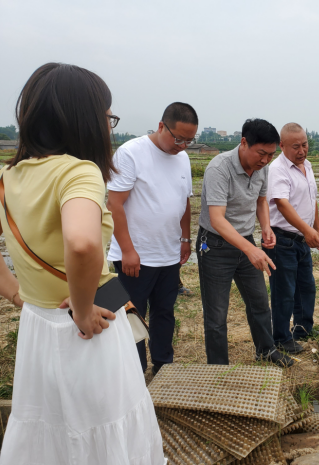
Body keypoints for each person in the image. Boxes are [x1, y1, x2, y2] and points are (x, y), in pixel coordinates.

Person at [0, 63, 164, 464]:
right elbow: (82, 242)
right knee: (103, 426)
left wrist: (18, 295)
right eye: (107, 115)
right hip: (89, 325)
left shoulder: (9, 175)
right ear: (83, 118)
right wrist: (85, 308)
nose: (109, 124)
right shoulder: (79, 171)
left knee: (48, 427)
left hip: (39, 323)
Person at [196, 118, 294, 367]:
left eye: (271, 155)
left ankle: (266, 349)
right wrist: (250, 249)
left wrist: (266, 227)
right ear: (243, 143)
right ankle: (219, 368)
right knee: (217, 313)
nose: (265, 160)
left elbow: (261, 200)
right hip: (216, 246)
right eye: (261, 153)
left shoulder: (263, 167)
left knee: (259, 301)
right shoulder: (219, 168)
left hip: (246, 242)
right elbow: (217, 220)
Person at [106, 102, 195, 375]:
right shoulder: (131, 153)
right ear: (161, 126)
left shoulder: (183, 158)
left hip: (168, 253)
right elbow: (115, 204)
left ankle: (162, 364)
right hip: (135, 256)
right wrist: (128, 250)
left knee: (164, 312)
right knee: (132, 314)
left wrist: (185, 239)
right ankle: (134, 370)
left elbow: (185, 202)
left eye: (189, 141)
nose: (181, 145)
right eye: (177, 137)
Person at [265, 123, 319, 354]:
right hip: (283, 241)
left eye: (305, 144)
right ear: (281, 146)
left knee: (306, 287)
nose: (302, 151)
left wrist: (316, 229)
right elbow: (282, 204)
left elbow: (312, 200)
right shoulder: (277, 169)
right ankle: (281, 337)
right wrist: (307, 231)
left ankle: (302, 328)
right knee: (284, 292)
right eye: (295, 147)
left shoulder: (306, 165)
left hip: (301, 240)